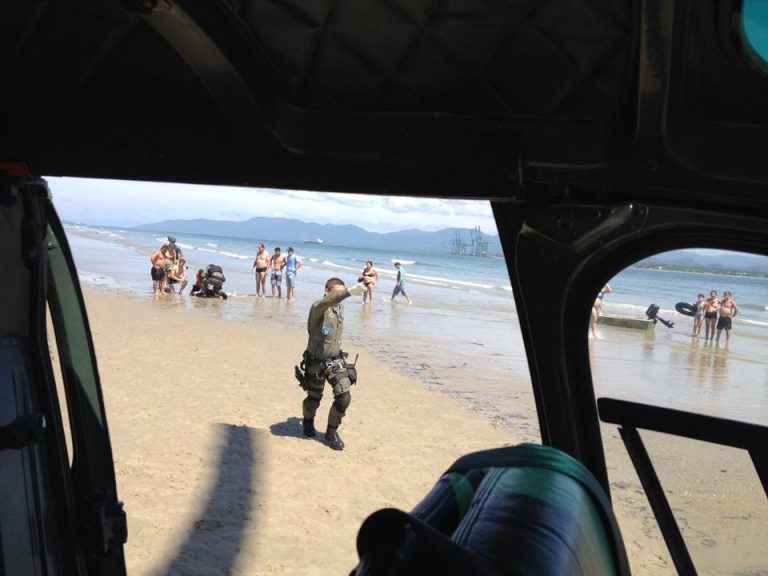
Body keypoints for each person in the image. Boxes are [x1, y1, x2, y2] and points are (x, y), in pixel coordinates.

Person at [299, 278, 366, 450]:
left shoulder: (339, 308)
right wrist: (349, 292)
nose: (340, 297)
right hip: (315, 361)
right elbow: (330, 300)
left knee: (344, 397)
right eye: (336, 293)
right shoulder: (318, 307)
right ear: (327, 291)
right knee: (314, 399)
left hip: (334, 360)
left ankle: (331, 432)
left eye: (342, 292)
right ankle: (308, 421)